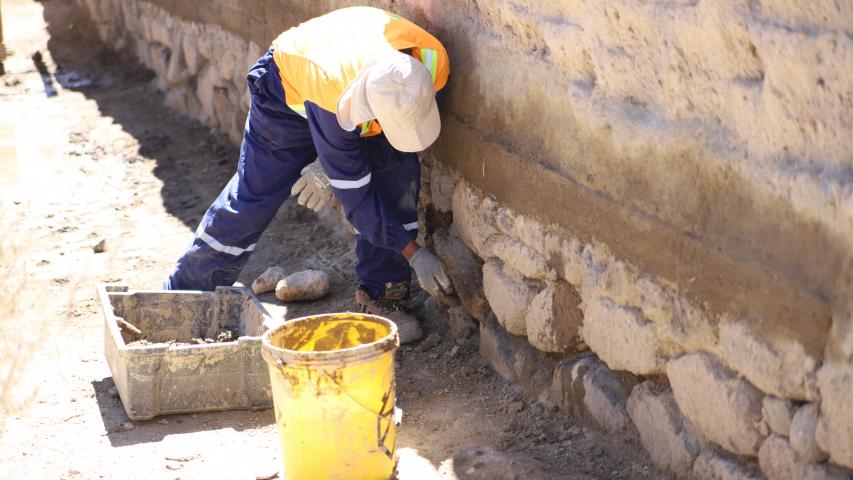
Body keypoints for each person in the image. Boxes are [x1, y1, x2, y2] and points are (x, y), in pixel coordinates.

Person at [163, 6, 454, 343]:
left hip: (354, 88)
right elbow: (357, 200)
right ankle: (184, 297)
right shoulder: (334, 94)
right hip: (286, 94)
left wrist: (337, 161)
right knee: (254, 199)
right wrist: (415, 253)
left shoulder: (431, 62)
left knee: (396, 175)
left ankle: (382, 296)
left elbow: (400, 116)